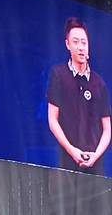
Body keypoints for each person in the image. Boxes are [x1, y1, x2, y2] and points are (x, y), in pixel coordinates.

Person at [47, 17, 111, 176]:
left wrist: (96, 155)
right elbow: (53, 120)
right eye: (76, 42)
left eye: (84, 42)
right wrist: (72, 150)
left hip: (95, 164)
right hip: (67, 161)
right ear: (67, 44)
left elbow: (107, 129)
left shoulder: (99, 83)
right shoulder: (58, 75)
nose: (81, 47)